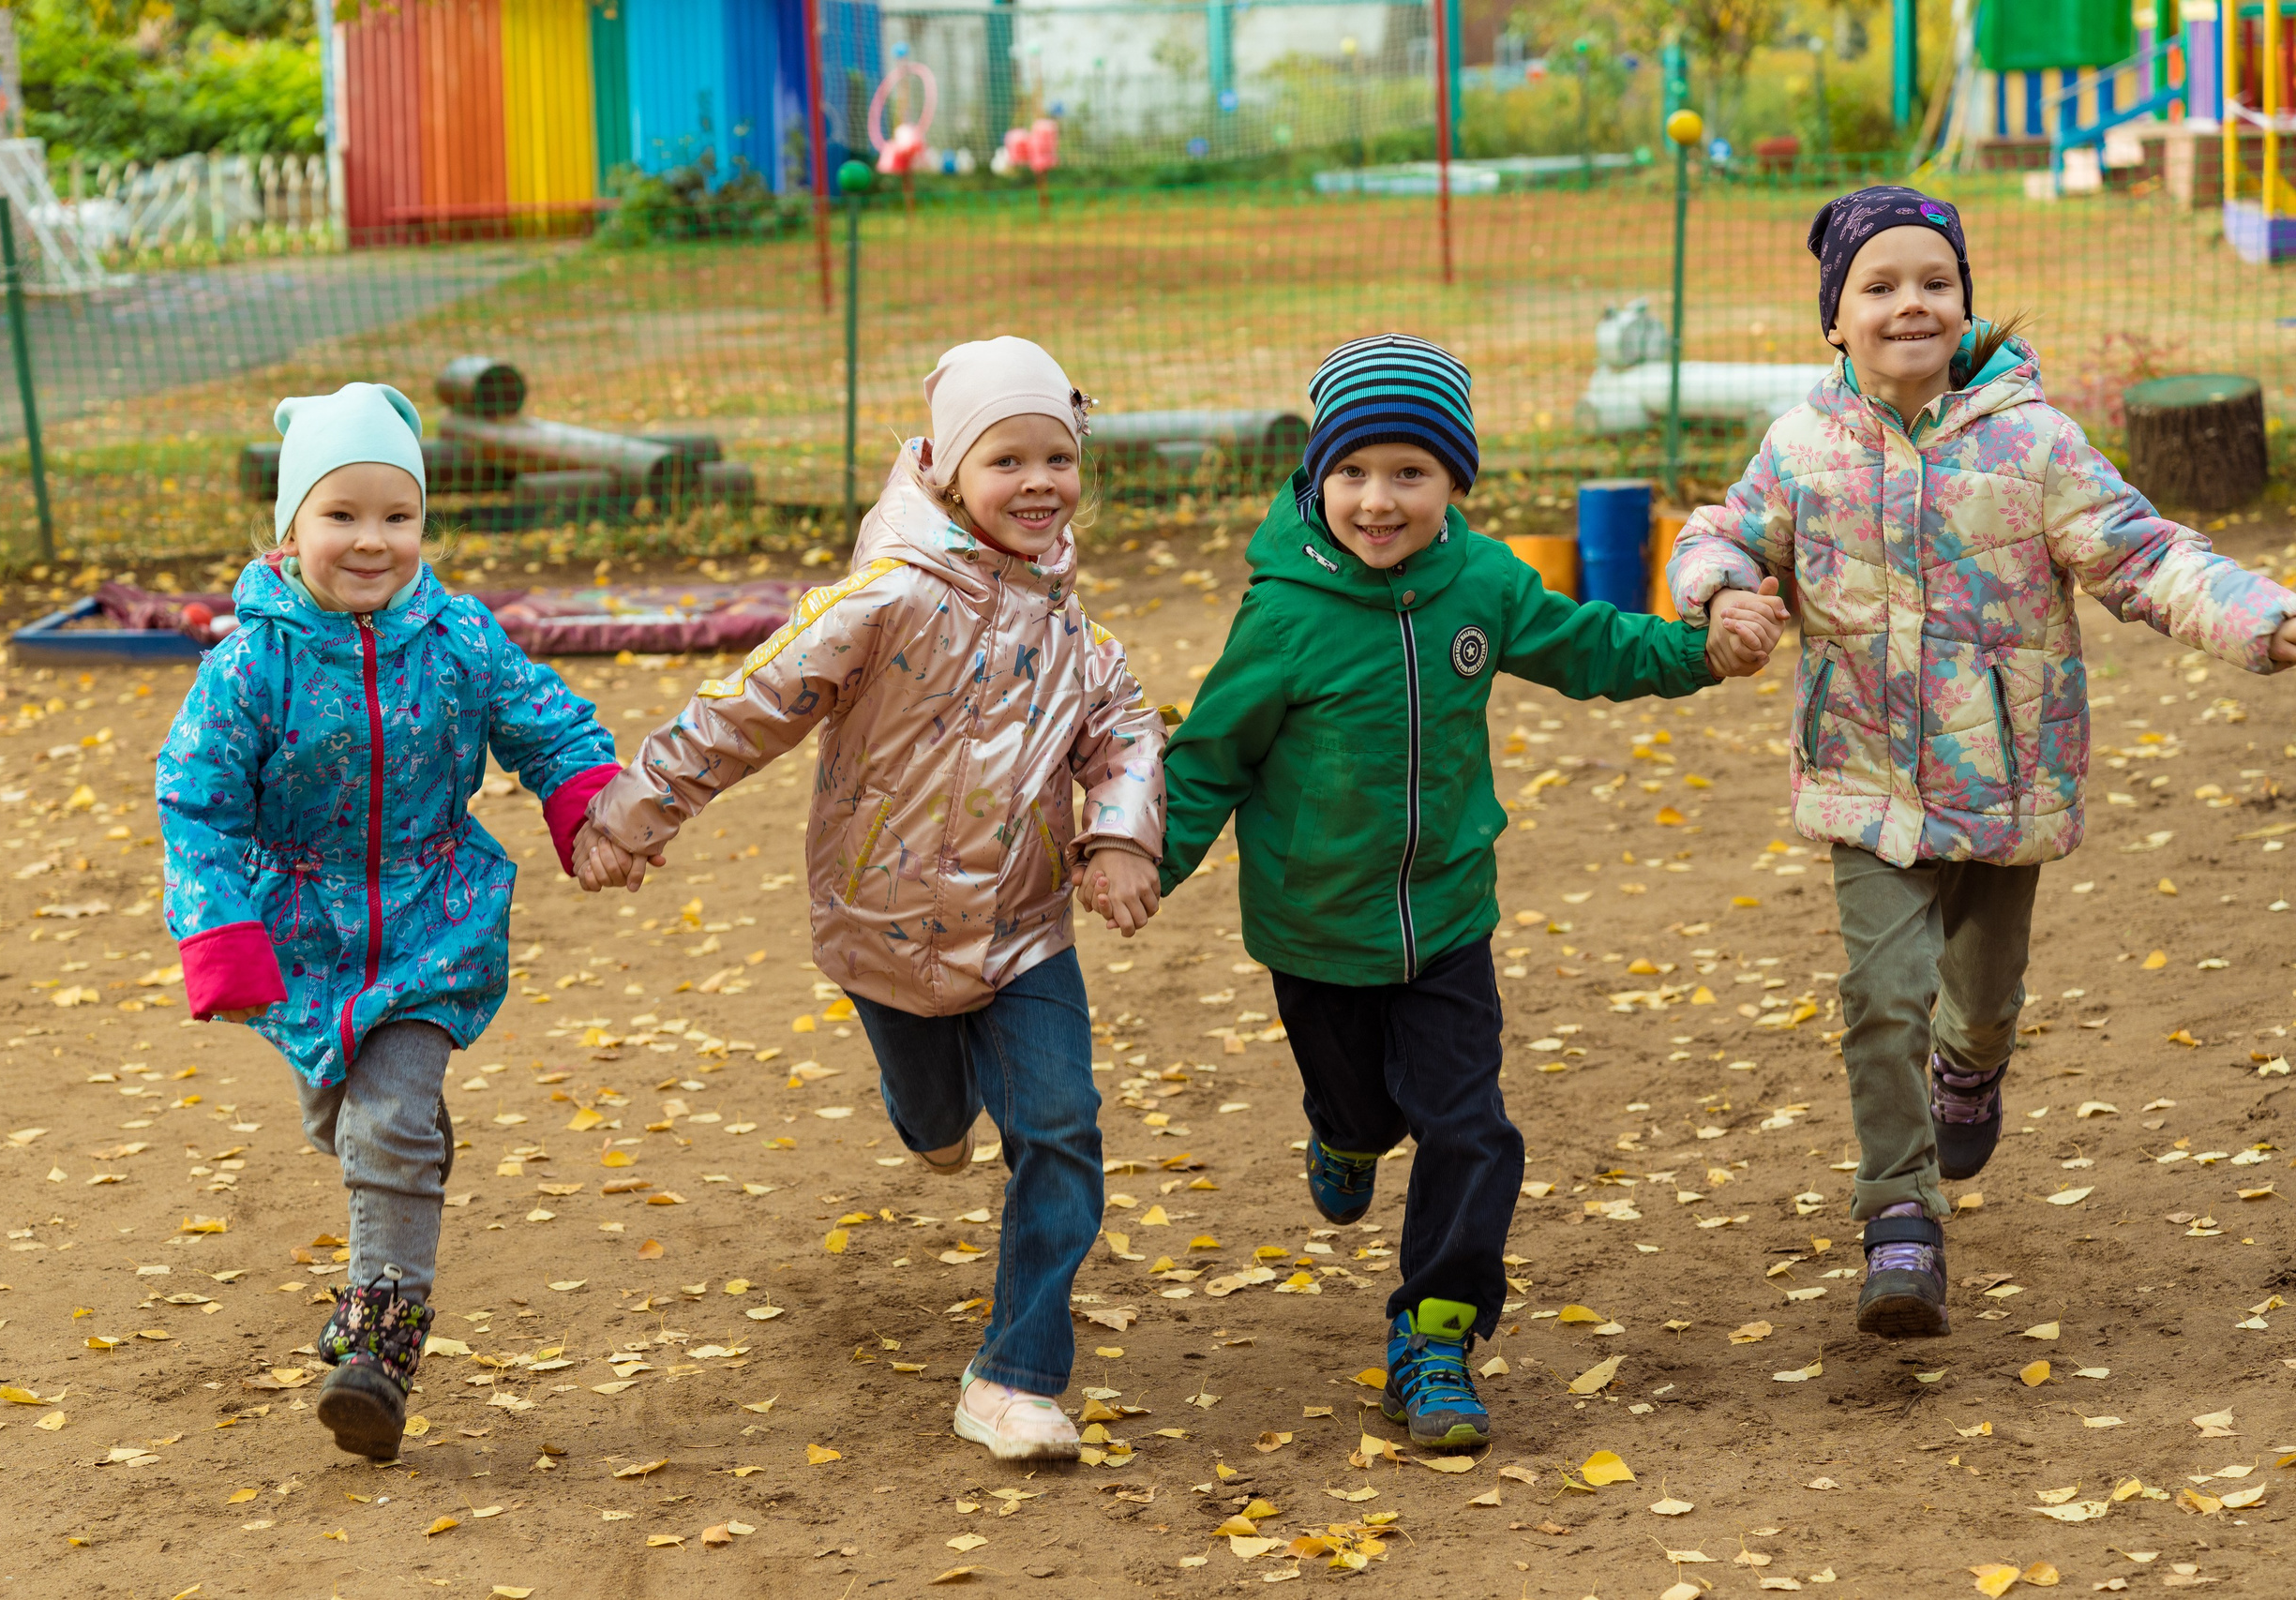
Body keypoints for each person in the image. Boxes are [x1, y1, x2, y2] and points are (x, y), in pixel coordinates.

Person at [1670, 186, 2296, 1340]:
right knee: (1878, 996)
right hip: (1864, 781)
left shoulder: (2033, 443)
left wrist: (2261, 616)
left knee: (1983, 993)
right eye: (1880, 285)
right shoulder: (1800, 448)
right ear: (1834, 318)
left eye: (1935, 283)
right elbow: (1721, 531)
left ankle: (1974, 1063)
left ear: (1964, 305)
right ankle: (1897, 1216)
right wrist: (1719, 594)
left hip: (2008, 784)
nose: (1911, 303)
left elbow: (2145, 556)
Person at [1138, 335, 1783, 1451]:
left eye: (1409, 474)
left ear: (1453, 484)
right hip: (1312, 927)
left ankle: (1434, 1338)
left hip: (1445, 923)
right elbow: (1209, 757)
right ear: (1315, 479)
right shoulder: (1280, 615)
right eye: (1352, 474)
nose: (1377, 501)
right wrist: (1141, 859)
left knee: (1471, 1131)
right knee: (1365, 1115)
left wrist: (1697, 653)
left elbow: (1586, 644)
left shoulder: (1480, 585)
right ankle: (1341, 1136)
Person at [573, 336, 1166, 1460]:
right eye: (1008, 460)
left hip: (1023, 930)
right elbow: (748, 707)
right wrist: (632, 812)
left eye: (1059, 457)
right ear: (946, 468)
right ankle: (930, 1117)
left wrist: (1120, 839)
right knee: (935, 1117)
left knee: (1061, 1127)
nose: (1039, 482)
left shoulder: (1073, 632)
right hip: (882, 927)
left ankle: (1015, 1375)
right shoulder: (883, 601)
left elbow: (1127, 732)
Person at [157, 382, 622, 1458]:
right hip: (303, 940)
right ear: (290, 529)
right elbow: (198, 799)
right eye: (342, 515)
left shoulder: (456, 634)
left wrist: (586, 801)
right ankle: (398, 1181)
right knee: (349, 1123)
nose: (372, 541)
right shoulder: (250, 665)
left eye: (397, 516)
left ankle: (381, 1347)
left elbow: (541, 717)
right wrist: (220, 930)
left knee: (387, 1120)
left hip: (431, 918)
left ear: (423, 522)